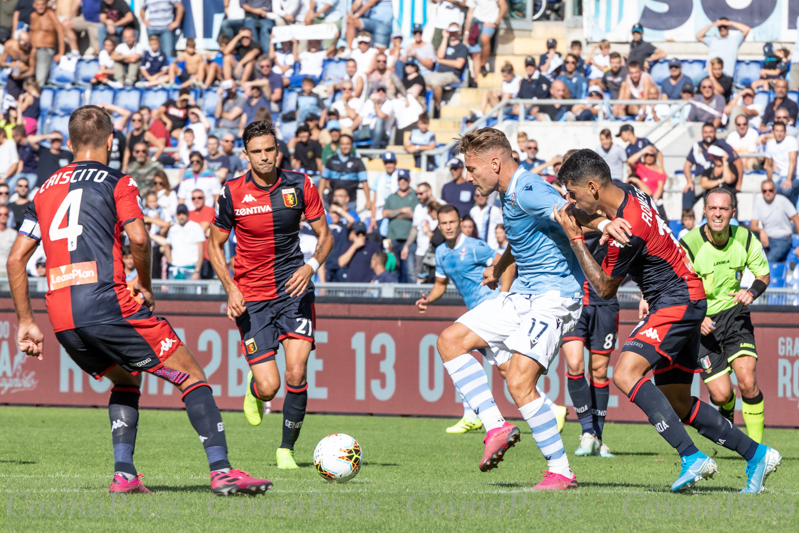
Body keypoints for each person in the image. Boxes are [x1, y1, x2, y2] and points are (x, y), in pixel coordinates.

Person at [8, 105, 272, 495]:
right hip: (106, 302)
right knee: (192, 375)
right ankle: (222, 471)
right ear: (111, 142)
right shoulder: (118, 181)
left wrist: (27, 322)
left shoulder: (43, 190)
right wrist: (144, 284)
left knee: (126, 378)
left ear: (68, 143)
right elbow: (141, 238)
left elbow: (15, 259)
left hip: (61, 315)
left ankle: (125, 475)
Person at [555, 148, 781, 494]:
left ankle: (691, 456)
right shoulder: (631, 192)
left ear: (592, 187)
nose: (571, 200)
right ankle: (757, 454)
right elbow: (585, 215)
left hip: (677, 301)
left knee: (625, 373)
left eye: (573, 193)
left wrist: (575, 238)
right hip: (686, 298)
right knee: (677, 400)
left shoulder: (629, 228)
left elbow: (603, 287)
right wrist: (594, 221)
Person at [434, 128, 620, 491]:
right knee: (450, 341)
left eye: (473, 169)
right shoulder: (508, 192)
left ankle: (561, 471)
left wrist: (604, 223)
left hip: (555, 297)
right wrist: (500, 268)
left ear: (495, 162)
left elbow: (567, 212)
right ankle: (496, 427)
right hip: (523, 294)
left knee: (519, 381)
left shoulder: (528, 188)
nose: (470, 177)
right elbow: (523, 236)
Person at [208, 120, 333, 470]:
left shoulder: (300, 183)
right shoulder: (232, 192)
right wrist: (230, 287)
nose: (265, 157)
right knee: (270, 386)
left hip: (294, 289)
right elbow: (214, 244)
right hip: (252, 298)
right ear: (245, 155)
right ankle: (256, 389)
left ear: (278, 150)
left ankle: (286, 450)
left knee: (296, 371)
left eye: (270, 150)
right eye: (257, 151)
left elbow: (325, 236)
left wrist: (310, 267)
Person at [418, 204, 568, 434]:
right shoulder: (440, 252)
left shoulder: (475, 246)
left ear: (459, 223)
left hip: (491, 312)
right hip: (477, 316)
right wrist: (428, 300)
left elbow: (507, 263)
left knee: (458, 351)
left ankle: (473, 415)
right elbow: (440, 284)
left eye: (452, 222)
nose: (448, 227)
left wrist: (503, 296)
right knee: (506, 369)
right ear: (439, 225)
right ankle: (550, 409)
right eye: (444, 223)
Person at [680, 188, 770, 444]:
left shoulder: (745, 238)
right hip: (702, 322)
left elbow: (763, 275)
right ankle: (727, 407)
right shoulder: (689, 244)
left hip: (735, 316)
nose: (718, 213)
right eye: (712, 208)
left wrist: (751, 292)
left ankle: (757, 450)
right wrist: (697, 318)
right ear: (704, 211)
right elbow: (676, 288)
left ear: (733, 212)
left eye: (723, 208)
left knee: (747, 380)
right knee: (720, 395)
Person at [751, 179, 799, 262]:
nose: (767, 192)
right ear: (762, 192)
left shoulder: (783, 200)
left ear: (775, 190)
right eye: (764, 191)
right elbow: (753, 225)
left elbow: (796, 220)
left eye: (770, 190)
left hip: (783, 239)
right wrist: (761, 230)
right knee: (749, 234)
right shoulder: (759, 203)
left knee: (768, 260)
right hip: (767, 239)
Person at [383, 169, 418, 283]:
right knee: (393, 268)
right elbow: (384, 214)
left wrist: (393, 214)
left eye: (405, 179)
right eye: (400, 179)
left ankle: (412, 296)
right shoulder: (392, 197)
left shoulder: (415, 196)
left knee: (410, 271)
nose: (402, 182)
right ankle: (394, 297)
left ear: (409, 180)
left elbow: (414, 214)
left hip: (409, 239)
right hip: (393, 238)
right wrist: (402, 210)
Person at [425, 23, 469, 112]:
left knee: (434, 82)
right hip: (438, 73)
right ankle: (429, 108)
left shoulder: (462, 47)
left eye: (454, 31)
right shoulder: (445, 45)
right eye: (450, 31)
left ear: (459, 32)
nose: (452, 34)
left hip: (452, 74)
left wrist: (442, 61)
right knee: (423, 80)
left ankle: (439, 105)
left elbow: (458, 64)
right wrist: (445, 38)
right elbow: (440, 56)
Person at [319, 134, 369, 211]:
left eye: (348, 144)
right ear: (339, 145)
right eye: (343, 144)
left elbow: (364, 182)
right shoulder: (331, 160)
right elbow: (323, 179)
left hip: (350, 201)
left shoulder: (357, 162)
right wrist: (320, 197)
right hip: (333, 200)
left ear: (351, 145)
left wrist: (368, 200)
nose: (345, 146)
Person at [402, 182, 440, 281]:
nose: (418, 196)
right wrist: (406, 246)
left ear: (429, 191)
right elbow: (415, 228)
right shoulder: (418, 208)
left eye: (421, 193)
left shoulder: (441, 205)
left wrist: (428, 232)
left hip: (436, 252)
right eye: (417, 194)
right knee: (419, 281)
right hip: (421, 252)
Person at [29, 0, 64, 87]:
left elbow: (60, 30)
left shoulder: (50, 14)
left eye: (42, 4)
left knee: (39, 80)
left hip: (45, 49)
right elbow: (32, 32)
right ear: (34, 5)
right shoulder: (33, 16)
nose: (40, 7)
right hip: (33, 51)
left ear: (46, 5)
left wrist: (61, 52)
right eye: (38, 5)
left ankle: (36, 97)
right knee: (29, 77)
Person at [165, 203, 205, 279]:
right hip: (175, 269)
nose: (181, 216)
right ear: (176, 215)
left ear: (187, 214)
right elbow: (167, 245)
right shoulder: (173, 229)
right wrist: (169, 258)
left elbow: (201, 250)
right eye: (179, 214)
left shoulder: (195, 227)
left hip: (191, 270)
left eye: (184, 213)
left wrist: (197, 270)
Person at [764, 122, 799, 203]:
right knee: (771, 191)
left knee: (786, 190)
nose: (779, 134)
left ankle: (791, 213)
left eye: (781, 131)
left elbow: (792, 161)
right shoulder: (770, 144)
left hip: (796, 176)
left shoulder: (791, 140)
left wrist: (788, 179)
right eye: (777, 131)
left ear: (785, 132)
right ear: (773, 132)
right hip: (782, 177)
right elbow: (768, 166)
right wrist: (770, 183)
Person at [370, 151, 398, 234]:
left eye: (391, 162)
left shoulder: (400, 178)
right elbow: (375, 200)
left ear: (395, 163)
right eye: (386, 163)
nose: (389, 165)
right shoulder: (379, 179)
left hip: (395, 214)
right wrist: (372, 217)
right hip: (380, 214)